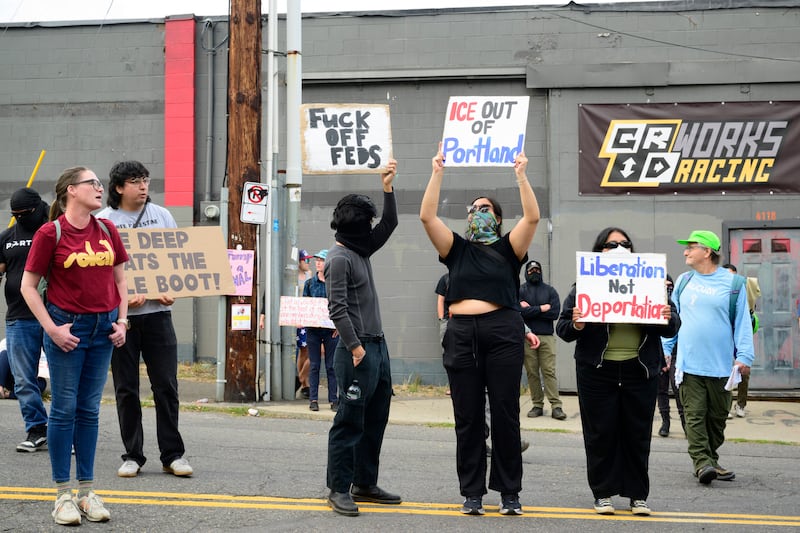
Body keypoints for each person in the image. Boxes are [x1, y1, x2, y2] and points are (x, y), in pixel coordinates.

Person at [420, 143, 539, 517]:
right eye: (473, 208)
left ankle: (509, 493)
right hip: (462, 333)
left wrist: (520, 175)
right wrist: (438, 171)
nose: (478, 212)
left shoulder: (509, 249)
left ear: (499, 219)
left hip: (502, 331)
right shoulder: (455, 249)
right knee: (468, 416)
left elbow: (533, 217)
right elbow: (426, 216)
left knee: (505, 413)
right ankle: (472, 493)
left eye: (486, 208)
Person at [21, 166, 129, 525]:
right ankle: (62, 495)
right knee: (64, 410)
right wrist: (52, 329)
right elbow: (28, 287)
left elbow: (120, 280)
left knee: (90, 410)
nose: (100, 188)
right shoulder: (49, 233)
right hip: (68, 330)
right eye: (92, 183)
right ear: (71, 190)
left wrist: (123, 320)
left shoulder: (107, 229)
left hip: (103, 330)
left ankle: (87, 492)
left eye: (99, 184)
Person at [556, 227, 679, 517]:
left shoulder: (651, 283)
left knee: (637, 434)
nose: (619, 247)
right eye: (612, 244)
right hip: (597, 372)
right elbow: (562, 329)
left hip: (640, 371)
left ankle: (638, 496)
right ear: (600, 250)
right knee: (600, 434)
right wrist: (577, 324)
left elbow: (673, 325)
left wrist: (665, 315)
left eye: (625, 243)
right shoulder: (583, 286)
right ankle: (603, 494)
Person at [96, 160, 192, 478]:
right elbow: (95, 271)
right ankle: (133, 455)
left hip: (158, 315)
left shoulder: (161, 215)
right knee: (126, 388)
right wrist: (120, 298)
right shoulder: (104, 221)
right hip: (122, 320)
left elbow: (177, 259)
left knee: (166, 385)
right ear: (119, 187)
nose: (143, 186)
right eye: (135, 181)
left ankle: (173, 454)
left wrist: (171, 289)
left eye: (146, 180)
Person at [325, 159, 401, 517]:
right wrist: (356, 348)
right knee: (349, 421)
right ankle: (339, 487)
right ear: (354, 228)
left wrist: (387, 187)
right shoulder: (340, 258)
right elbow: (336, 310)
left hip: (378, 346)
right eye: (366, 224)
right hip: (357, 351)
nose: (372, 229)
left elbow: (390, 223)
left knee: (375, 419)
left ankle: (365, 483)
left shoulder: (360, 248)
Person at [670, 230, 754, 485]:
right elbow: (673, 320)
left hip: (721, 369)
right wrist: (664, 350)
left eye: (691, 247)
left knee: (717, 419)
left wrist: (745, 357)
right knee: (694, 416)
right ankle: (702, 463)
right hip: (689, 366)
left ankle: (711, 459)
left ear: (707, 251)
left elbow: (743, 324)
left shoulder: (735, 285)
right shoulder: (684, 282)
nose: (686, 251)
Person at [0, 187, 51, 451]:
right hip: (19, 317)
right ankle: (37, 429)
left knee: (66, 380)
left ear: (37, 208)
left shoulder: (53, 232)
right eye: (15, 215)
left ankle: (66, 431)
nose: (20, 218)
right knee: (22, 379)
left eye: (25, 214)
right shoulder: (7, 237)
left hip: (55, 316)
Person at [519, 260, 566, 420]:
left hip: (546, 337)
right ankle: (537, 405)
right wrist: (541, 308)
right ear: (527, 272)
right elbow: (518, 312)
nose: (534, 272)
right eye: (531, 270)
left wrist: (529, 309)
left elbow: (554, 313)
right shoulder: (520, 291)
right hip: (527, 337)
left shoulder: (550, 291)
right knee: (532, 372)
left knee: (548, 371)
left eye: (537, 270)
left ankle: (556, 406)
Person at [722, 263, 760, 418]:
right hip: (724, 337)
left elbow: (749, 317)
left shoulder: (742, 291)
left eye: (732, 275)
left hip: (739, 336)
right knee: (725, 371)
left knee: (743, 371)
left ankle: (741, 404)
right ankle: (727, 405)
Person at [303, 249, 339, 412]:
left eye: (321, 260)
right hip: (313, 330)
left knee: (331, 365)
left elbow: (340, 305)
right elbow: (305, 305)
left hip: (331, 330)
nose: (318, 263)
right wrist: (301, 320)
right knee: (315, 364)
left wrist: (339, 325)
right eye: (316, 260)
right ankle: (314, 399)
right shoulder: (309, 284)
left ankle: (334, 400)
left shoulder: (335, 283)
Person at [657, 275, 684, 437]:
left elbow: (678, 324)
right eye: (664, 286)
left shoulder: (675, 303)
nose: (668, 289)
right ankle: (665, 422)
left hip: (676, 350)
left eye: (670, 286)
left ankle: (685, 422)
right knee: (661, 389)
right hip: (659, 349)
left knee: (677, 386)